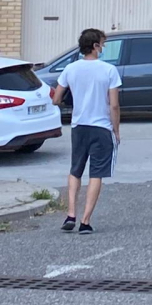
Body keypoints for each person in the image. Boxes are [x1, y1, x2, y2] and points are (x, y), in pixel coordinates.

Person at [52, 28, 121, 234]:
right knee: (96, 173)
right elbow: (114, 105)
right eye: (103, 43)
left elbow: (56, 99)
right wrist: (116, 130)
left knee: (75, 170)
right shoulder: (109, 70)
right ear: (95, 46)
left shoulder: (70, 69)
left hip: (79, 126)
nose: (104, 47)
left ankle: (70, 214)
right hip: (101, 127)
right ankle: (85, 221)